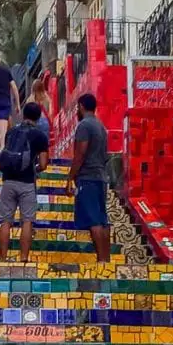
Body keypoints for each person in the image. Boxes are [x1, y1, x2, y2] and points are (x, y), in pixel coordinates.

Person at [0, 102, 49, 263]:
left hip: (8, 181)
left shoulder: (11, 132)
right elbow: (44, 164)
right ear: (38, 117)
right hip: (26, 183)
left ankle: (3, 258)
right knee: (27, 221)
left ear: (24, 114)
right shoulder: (40, 136)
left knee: (6, 221)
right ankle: (23, 258)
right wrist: (34, 169)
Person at [65, 93, 110, 263]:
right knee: (102, 219)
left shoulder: (84, 126)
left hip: (88, 177)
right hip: (101, 176)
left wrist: (70, 178)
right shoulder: (101, 126)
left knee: (93, 220)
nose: (77, 110)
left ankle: (101, 261)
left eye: (77, 107)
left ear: (81, 106)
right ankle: (106, 259)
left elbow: (80, 154)